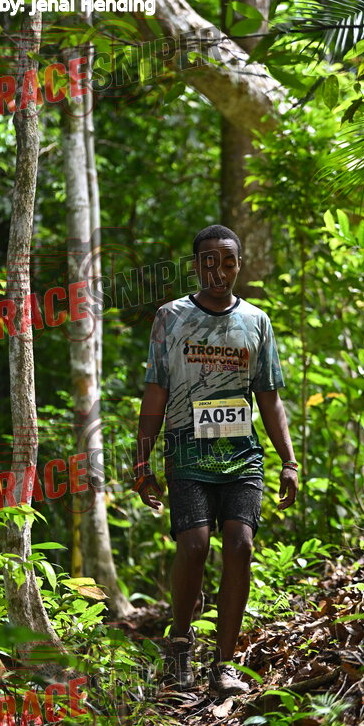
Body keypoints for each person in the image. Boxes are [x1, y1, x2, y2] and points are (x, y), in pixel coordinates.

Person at [132, 224, 298, 698]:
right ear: (196, 266)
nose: (219, 272)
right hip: (187, 451)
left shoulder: (256, 321)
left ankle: (224, 664)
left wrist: (289, 461)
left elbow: (269, 398)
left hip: (241, 454)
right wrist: (142, 464)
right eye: (209, 262)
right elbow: (156, 391)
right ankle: (180, 643)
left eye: (228, 262)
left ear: (239, 264)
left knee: (240, 546)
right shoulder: (171, 317)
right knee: (194, 546)